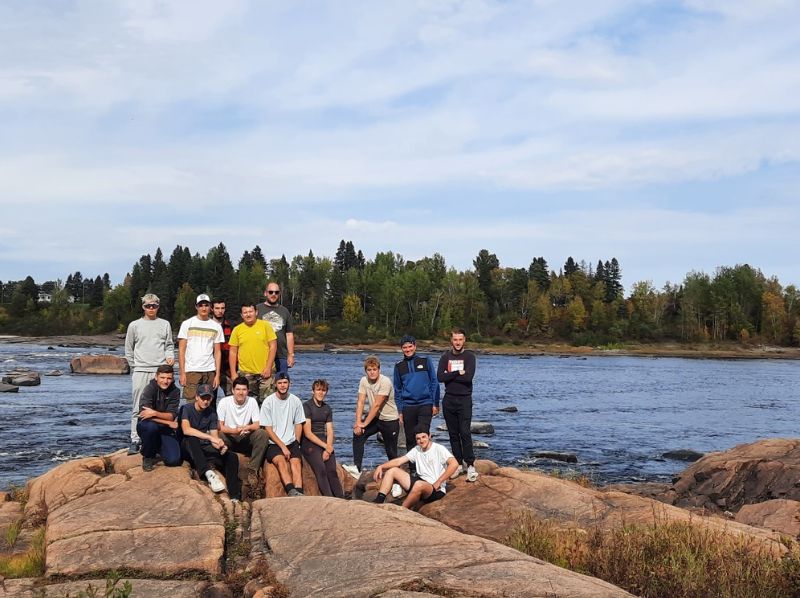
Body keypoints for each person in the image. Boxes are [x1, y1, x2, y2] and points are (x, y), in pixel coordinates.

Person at [124, 293, 175, 455]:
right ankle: (135, 439)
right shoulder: (134, 325)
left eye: (154, 305)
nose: (151, 308)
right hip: (141, 370)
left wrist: (170, 358)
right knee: (138, 405)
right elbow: (128, 349)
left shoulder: (165, 324)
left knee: (162, 406)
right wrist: (135, 366)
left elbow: (169, 345)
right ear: (143, 307)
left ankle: (160, 438)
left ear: (158, 307)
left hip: (160, 370)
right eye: (148, 306)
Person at [372, 426, 459, 510]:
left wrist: (439, 481)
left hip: (435, 489)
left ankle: (402, 509)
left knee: (419, 484)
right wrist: (381, 466)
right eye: (418, 438)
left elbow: (454, 464)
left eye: (424, 437)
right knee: (392, 471)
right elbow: (399, 461)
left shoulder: (439, 449)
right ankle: (379, 500)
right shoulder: (417, 449)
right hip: (420, 482)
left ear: (429, 436)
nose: (421, 441)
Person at [180, 384, 241, 501]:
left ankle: (234, 495)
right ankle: (208, 473)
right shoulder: (186, 409)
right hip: (186, 447)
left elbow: (214, 436)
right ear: (197, 397)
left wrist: (219, 444)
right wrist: (210, 438)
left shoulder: (212, 413)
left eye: (208, 398)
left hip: (203, 447)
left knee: (231, 457)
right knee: (192, 438)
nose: (206, 401)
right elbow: (186, 430)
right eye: (203, 398)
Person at [343, 355, 400, 479]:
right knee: (358, 434)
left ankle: (397, 479)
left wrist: (364, 423)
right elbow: (361, 401)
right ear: (366, 371)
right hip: (376, 419)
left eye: (374, 369)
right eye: (369, 370)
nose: (372, 372)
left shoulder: (385, 382)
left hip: (389, 420)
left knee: (391, 451)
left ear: (379, 369)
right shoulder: (364, 381)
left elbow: (377, 405)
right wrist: (358, 422)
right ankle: (357, 468)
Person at [437, 327, 478, 482]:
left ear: (464, 340)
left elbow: (468, 378)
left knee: (465, 432)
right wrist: (457, 373)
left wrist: (450, 376)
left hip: (464, 400)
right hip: (449, 400)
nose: (458, 342)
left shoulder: (469, 357)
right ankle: (458, 464)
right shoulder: (445, 357)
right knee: (453, 434)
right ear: (451, 341)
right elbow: (440, 377)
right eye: (455, 339)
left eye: (460, 339)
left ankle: (470, 464)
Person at [217, 376, 269, 496]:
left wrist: (247, 427)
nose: (241, 392)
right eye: (238, 389)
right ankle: (220, 465)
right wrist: (234, 431)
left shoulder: (252, 401)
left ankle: (252, 470)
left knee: (262, 434)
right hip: (229, 436)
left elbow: (257, 424)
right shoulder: (224, 402)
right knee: (218, 435)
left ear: (248, 391)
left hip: (245, 436)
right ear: (233, 390)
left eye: (244, 390)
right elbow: (220, 426)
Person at [260, 373, 305, 496]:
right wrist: (283, 447)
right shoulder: (268, 402)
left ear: (289, 384)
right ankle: (290, 489)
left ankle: (299, 491)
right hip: (273, 442)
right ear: (275, 384)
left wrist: (297, 442)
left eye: (285, 382)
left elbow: (299, 423)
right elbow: (267, 429)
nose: (282, 385)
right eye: (280, 383)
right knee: (281, 462)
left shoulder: (295, 401)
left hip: (291, 441)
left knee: (296, 463)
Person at [393, 335, 440, 452]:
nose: (408, 349)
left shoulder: (425, 360)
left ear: (415, 346)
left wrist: (435, 403)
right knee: (410, 438)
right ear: (401, 349)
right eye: (405, 347)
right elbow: (397, 389)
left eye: (410, 346)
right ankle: (413, 468)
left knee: (423, 435)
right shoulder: (399, 366)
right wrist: (400, 411)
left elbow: (434, 382)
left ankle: (428, 465)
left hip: (425, 404)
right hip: (408, 407)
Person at [301, 379, 344, 498]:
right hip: (309, 442)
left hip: (324, 441)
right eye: (318, 390)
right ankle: (329, 498)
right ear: (313, 391)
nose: (321, 393)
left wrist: (329, 448)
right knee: (321, 470)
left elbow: (330, 430)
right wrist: (325, 446)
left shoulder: (327, 408)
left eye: (323, 390)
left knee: (332, 472)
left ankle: (341, 499)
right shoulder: (307, 406)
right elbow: (307, 432)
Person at [177, 293, 224, 404]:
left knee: (209, 403)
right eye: (201, 305)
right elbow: (181, 350)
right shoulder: (187, 324)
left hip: (209, 371)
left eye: (206, 305)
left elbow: (217, 352)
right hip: (192, 371)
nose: (204, 308)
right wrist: (182, 373)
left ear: (210, 307)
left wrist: (217, 374)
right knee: (192, 403)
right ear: (196, 307)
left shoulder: (216, 326)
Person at [228, 302, 278, 403]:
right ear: (242, 315)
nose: (248, 314)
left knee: (267, 403)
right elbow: (233, 352)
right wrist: (233, 373)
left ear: (256, 312)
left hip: (266, 373)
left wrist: (268, 367)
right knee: (247, 403)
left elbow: (273, 346)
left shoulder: (265, 326)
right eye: (245, 312)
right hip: (246, 373)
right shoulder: (237, 330)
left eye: (250, 311)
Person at [136, 364, 181, 472]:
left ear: (172, 378)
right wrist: (165, 420)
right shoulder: (149, 389)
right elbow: (144, 415)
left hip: (165, 428)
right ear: (156, 377)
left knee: (173, 460)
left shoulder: (175, 392)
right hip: (147, 425)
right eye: (162, 378)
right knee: (151, 428)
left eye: (169, 378)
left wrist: (154, 413)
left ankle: (156, 446)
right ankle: (148, 456)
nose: (165, 381)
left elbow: (171, 417)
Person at [257, 282, 295, 376]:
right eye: (271, 292)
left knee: (281, 384)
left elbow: (289, 334)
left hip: (281, 355)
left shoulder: (284, 311)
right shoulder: (257, 309)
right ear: (265, 293)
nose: (273, 294)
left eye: (276, 292)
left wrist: (291, 354)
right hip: (262, 355)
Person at [211, 298, 234, 396]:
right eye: (217, 308)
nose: (220, 311)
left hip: (227, 368)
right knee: (210, 397)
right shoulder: (207, 326)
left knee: (231, 396)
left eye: (222, 308)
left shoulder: (232, 326)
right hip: (210, 367)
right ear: (212, 309)